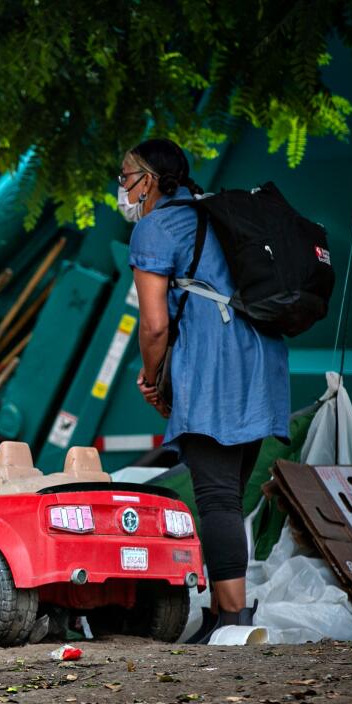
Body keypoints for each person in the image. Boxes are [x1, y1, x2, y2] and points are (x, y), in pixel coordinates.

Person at [121, 138, 289, 643]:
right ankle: (221, 611)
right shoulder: (215, 213)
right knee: (229, 491)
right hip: (261, 357)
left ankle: (234, 618)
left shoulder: (156, 227)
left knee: (215, 495)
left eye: (126, 176)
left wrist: (153, 380)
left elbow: (153, 326)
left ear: (149, 180)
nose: (122, 187)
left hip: (214, 364)